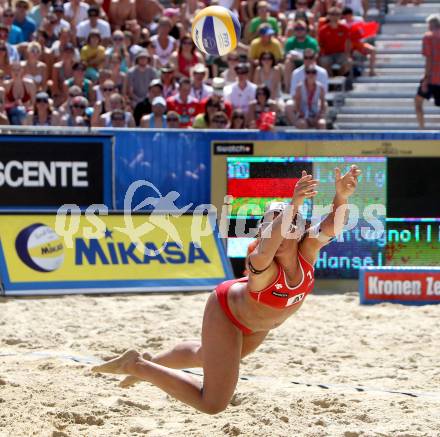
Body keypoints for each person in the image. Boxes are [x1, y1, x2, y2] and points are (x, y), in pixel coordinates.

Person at [92, 165, 362, 415]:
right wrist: (293, 205)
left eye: (283, 224)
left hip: (258, 325)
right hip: (228, 314)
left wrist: (341, 197)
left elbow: (331, 226)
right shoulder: (261, 260)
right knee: (212, 403)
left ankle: (153, 360)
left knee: (204, 355)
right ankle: (137, 366)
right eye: (267, 225)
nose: (273, 231)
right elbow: (269, 245)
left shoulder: (307, 249)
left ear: (299, 230)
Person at [415, 14, 440, 129]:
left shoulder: (428, 37)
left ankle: (422, 130)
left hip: (432, 78)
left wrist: (425, 79)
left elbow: (429, 59)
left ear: (431, 25)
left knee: (418, 102)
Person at [341, 7, 376, 76]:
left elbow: (364, 31)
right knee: (348, 42)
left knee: (373, 50)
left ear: (351, 15)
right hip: (347, 45)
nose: (347, 18)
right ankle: (349, 73)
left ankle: (371, 71)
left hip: (359, 43)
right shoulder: (342, 23)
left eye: (348, 16)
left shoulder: (359, 20)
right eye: (345, 17)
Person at [318, 6, 352, 76]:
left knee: (348, 62)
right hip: (327, 54)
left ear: (340, 16)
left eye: (337, 14)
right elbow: (320, 44)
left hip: (340, 53)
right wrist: (322, 54)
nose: (334, 16)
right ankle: (330, 84)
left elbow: (348, 42)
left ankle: (341, 81)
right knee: (324, 62)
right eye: (332, 14)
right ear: (328, 15)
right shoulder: (323, 30)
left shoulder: (344, 28)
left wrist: (348, 55)